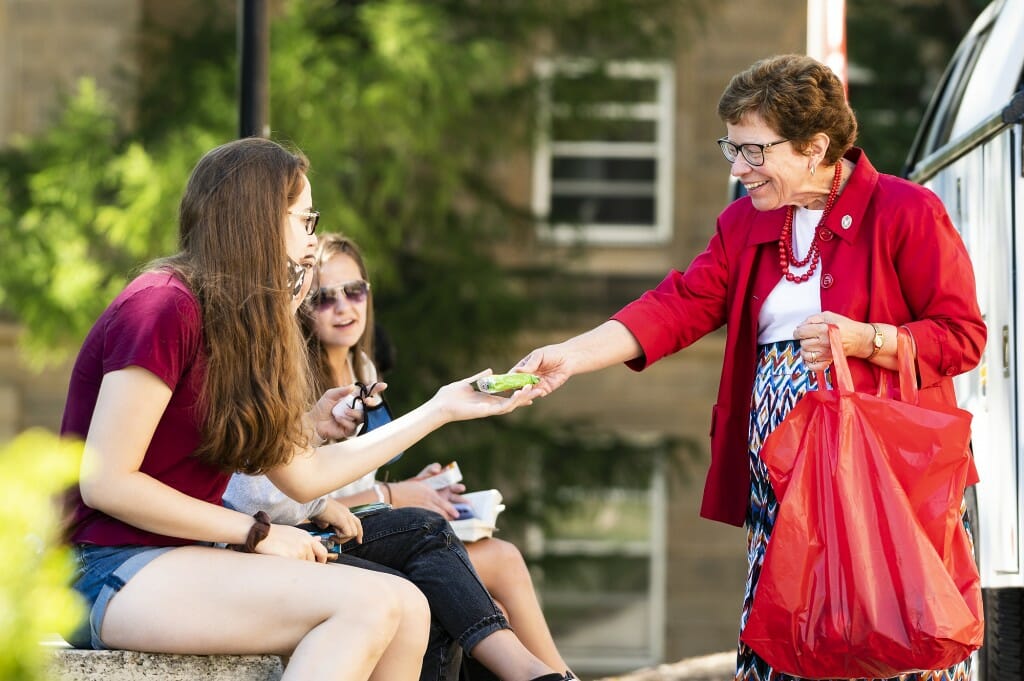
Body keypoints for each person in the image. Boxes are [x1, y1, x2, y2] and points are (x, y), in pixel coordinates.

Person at [513, 54, 986, 681]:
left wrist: (868, 339)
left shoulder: (906, 211)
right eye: (730, 149)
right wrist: (570, 356)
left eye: (754, 151)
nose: (738, 168)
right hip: (779, 488)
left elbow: (963, 336)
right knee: (787, 626)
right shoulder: (745, 224)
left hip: (880, 480)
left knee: (883, 628)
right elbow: (677, 305)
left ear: (815, 147)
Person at [61, 137, 552, 681]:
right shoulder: (162, 305)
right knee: (367, 604)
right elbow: (107, 482)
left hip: (183, 563)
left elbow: (307, 473)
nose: (313, 243)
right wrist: (260, 533)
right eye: (304, 220)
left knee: (409, 605)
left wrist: (442, 408)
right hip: (106, 567)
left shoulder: (240, 328)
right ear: (257, 221)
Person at [223, 233, 575, 681]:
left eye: (355, 291)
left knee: (481, 590)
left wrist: (414, 486)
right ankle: (550, 675)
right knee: (469, 567)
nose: (345, 307)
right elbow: (280, 495)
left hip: (346, 524)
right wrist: (391, 493)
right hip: (298, 535)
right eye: (324, 298)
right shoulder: (289, 375)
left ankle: (551, 673)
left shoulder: (364, 370)